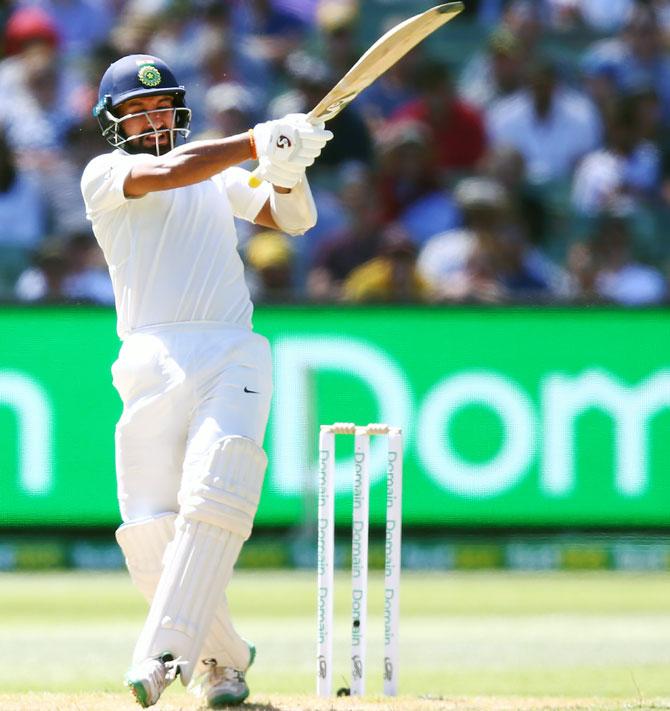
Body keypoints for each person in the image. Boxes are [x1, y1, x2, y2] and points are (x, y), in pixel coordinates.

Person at [80, 54, 332, 708]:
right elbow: (167, 172)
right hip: (147, 358)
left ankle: (163, 653)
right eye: (137, 111)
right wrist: (256, 141)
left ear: (180, 109)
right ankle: (224, 660)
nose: (153, 119)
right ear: (114, 123)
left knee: (217, 488)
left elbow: (291, 220)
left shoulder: (215, 176)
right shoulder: (106, 173)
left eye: (160, 106)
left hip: (230, 350)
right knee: (147, 534)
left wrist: (286, 169)